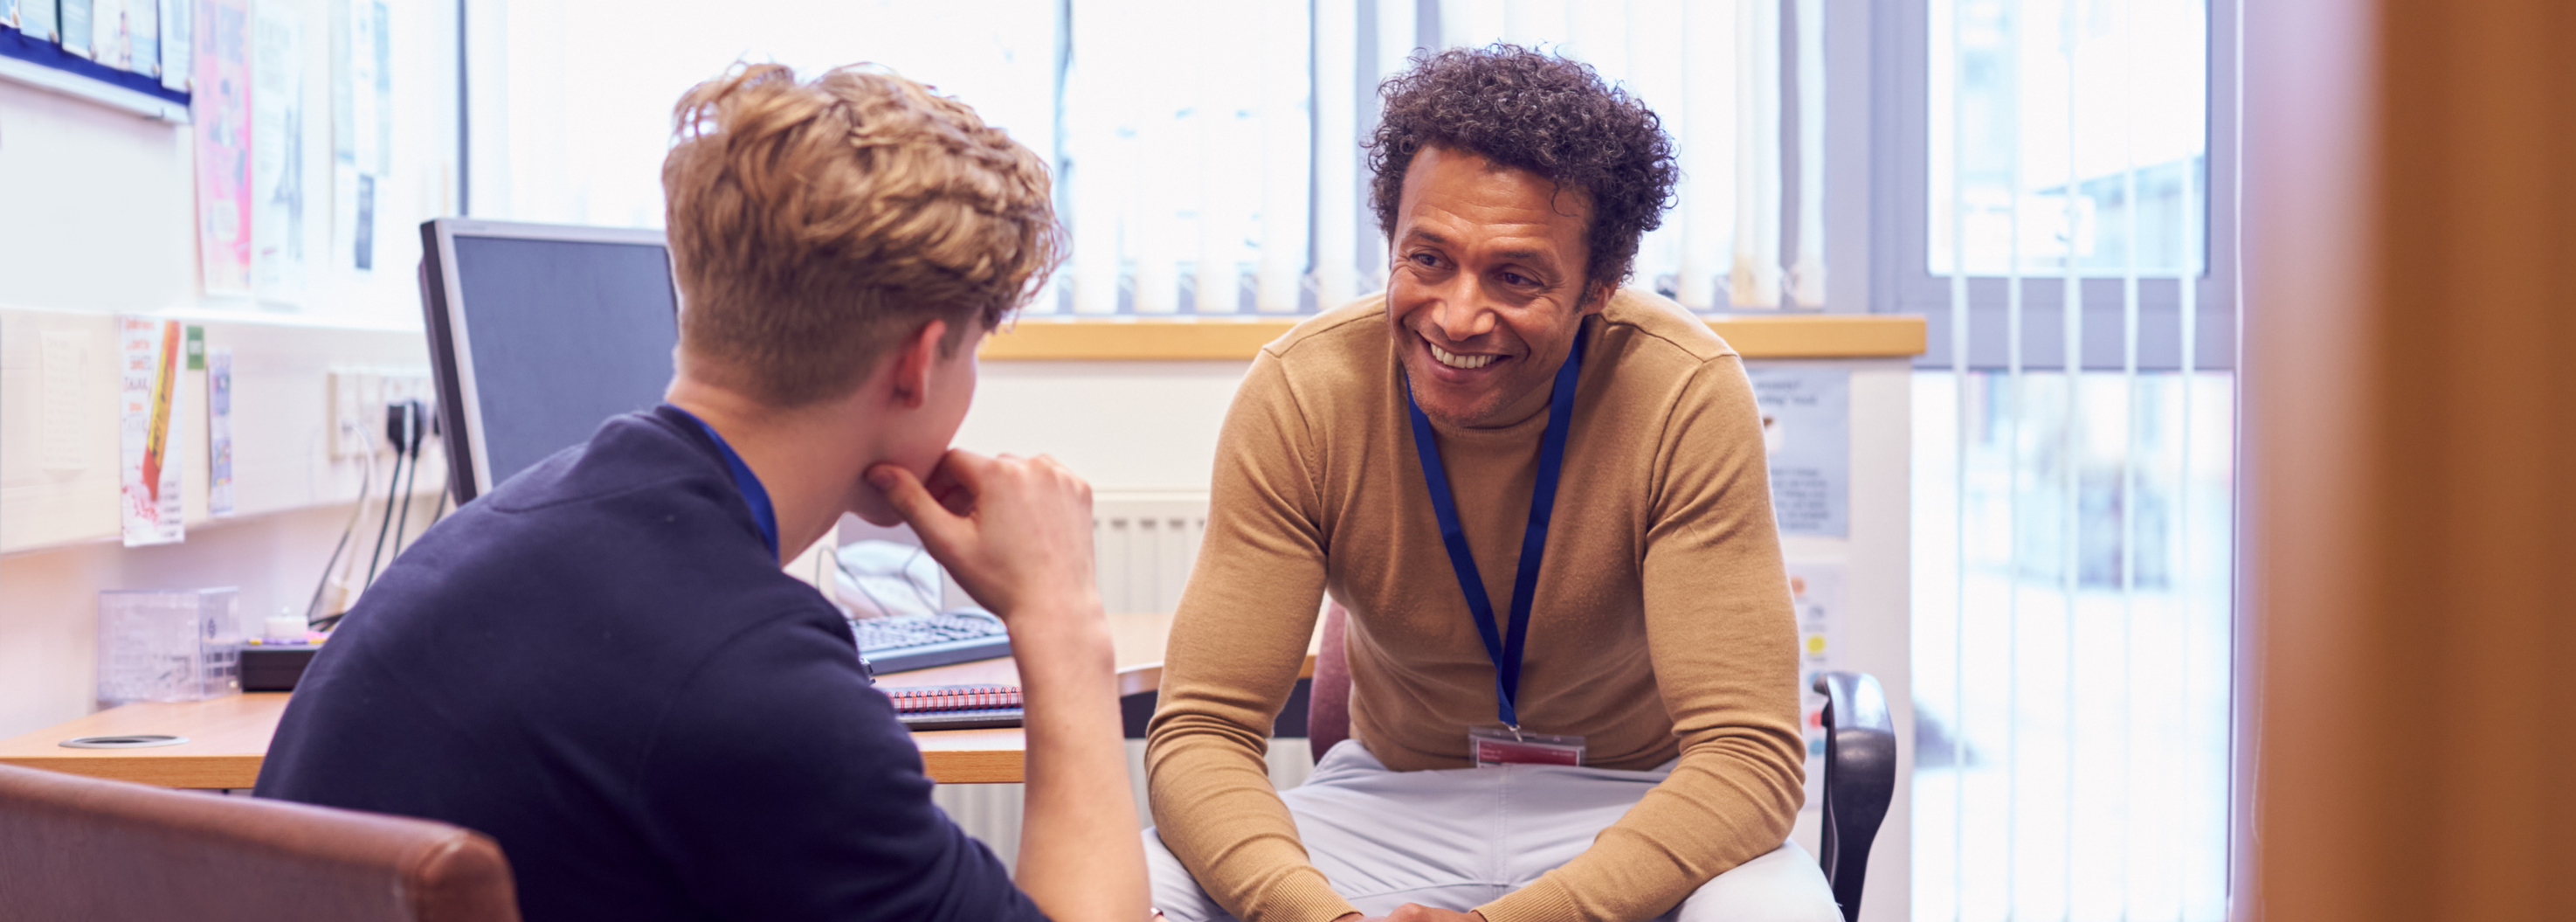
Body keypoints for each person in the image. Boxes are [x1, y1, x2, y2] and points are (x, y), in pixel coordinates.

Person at [256, 63, 1149, 922]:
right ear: (919, 362)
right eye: (977, 345)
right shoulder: (752, 676)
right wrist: (1062, 616)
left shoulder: (493, 533)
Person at [1141, 45, 1840, 922]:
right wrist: (1314, 914)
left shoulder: (1684, 390)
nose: (1458, 315)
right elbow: (1202, 732)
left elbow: (1747, 755)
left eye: (1515, 276)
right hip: (1391, 799)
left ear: (1599, 284)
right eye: (1427, 259)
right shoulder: (1304, 391)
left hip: (1636, 798)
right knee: (1128, 891)